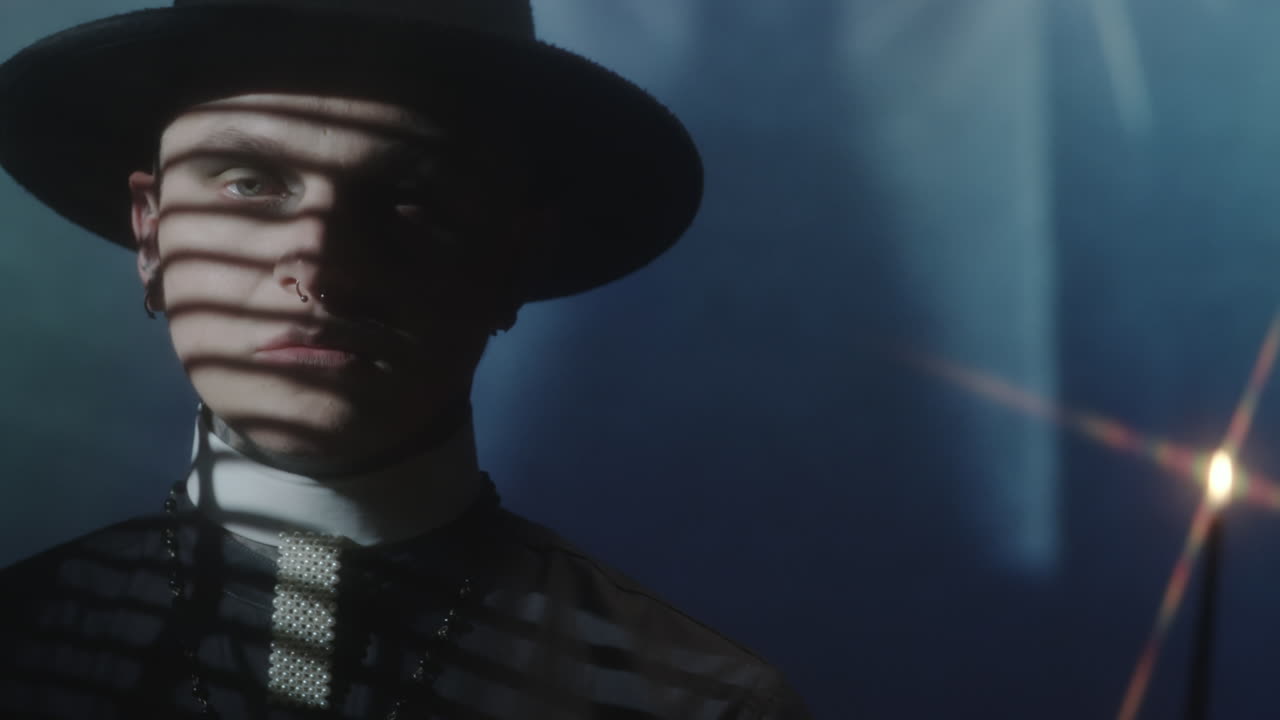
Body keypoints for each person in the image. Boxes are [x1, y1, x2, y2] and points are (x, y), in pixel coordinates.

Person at [0, 1, 811, 718]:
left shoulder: (698, 704)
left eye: (412, 192)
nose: (320, 268)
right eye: (248, 183)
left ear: (517, 257)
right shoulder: (27, 648)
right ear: (151, 233)